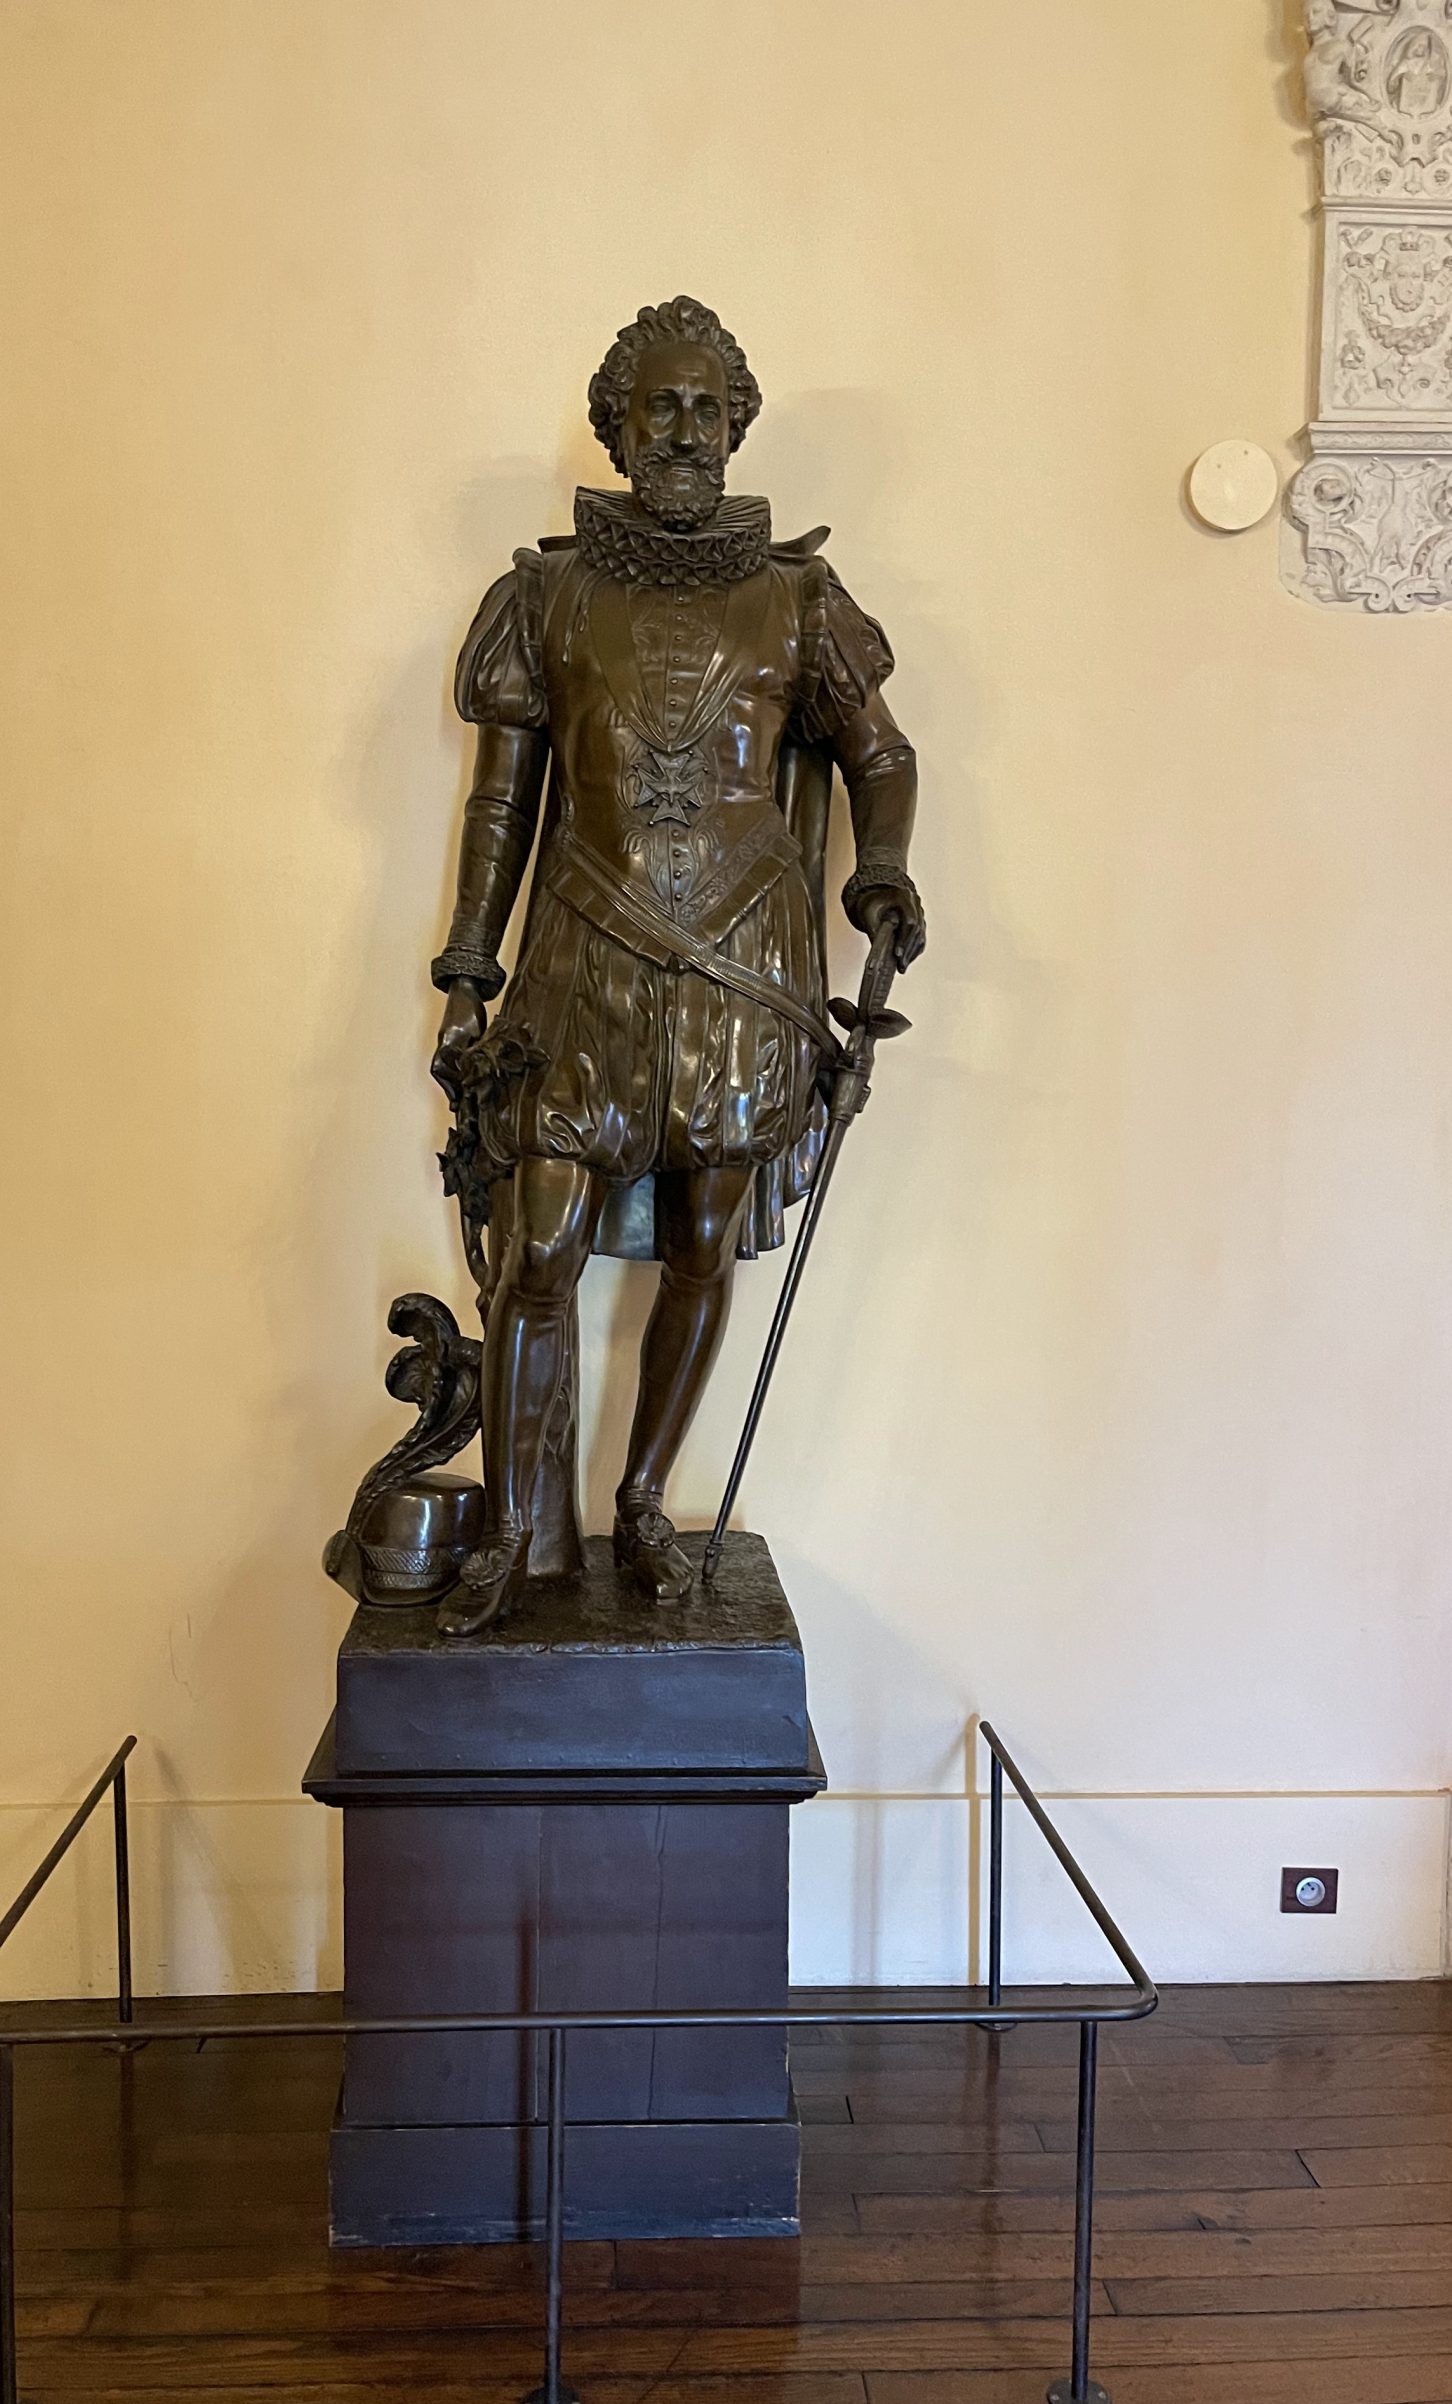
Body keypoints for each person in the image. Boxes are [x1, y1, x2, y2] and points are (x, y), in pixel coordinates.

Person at [425, 296, 924, 1634]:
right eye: (663, 406)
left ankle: (643, 1501)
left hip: (739, 968)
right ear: (618, 425)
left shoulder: (800, 601)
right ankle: (517, 1530)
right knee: (537, 1248)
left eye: (709, 408)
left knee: (703, 1241)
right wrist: (469, 964)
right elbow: (501, 802)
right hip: (580, 961)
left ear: (737, 425)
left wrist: (881, 867)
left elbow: (879, 756)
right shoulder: (544, 598)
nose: (688, 432)